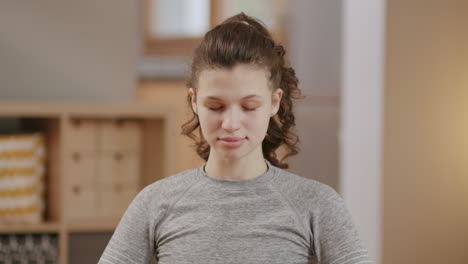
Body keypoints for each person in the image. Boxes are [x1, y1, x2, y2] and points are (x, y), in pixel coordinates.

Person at [99, 12, 371, 264]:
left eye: (249, 107)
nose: (230, 124)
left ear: (274, 102)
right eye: (215, 107)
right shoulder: (155, 203)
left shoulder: (316, 204)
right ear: (194, 101)